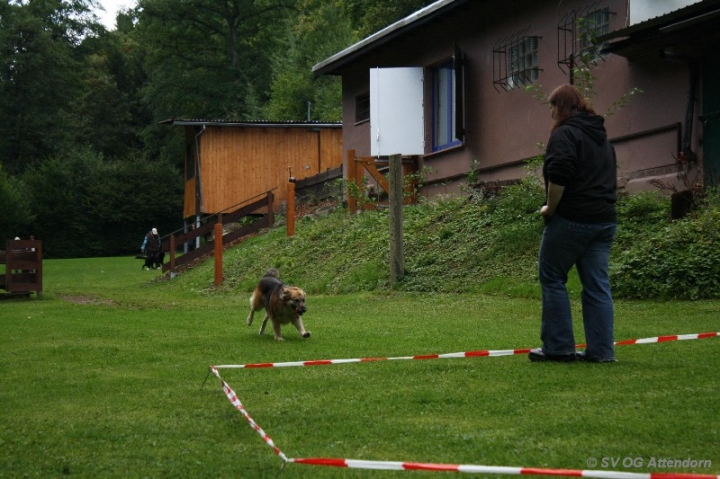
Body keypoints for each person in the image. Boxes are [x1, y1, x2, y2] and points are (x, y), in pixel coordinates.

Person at [529, 84, 618, 363]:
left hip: (572, 218)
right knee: (597, 286)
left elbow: (560, 174)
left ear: (563, 107)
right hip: (604, 221)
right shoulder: (602, 139)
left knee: (553, 277)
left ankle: (559, 347)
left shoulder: (565, 134)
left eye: (553, 107)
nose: (552, 113)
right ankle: (602, 352)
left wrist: (550, 207)